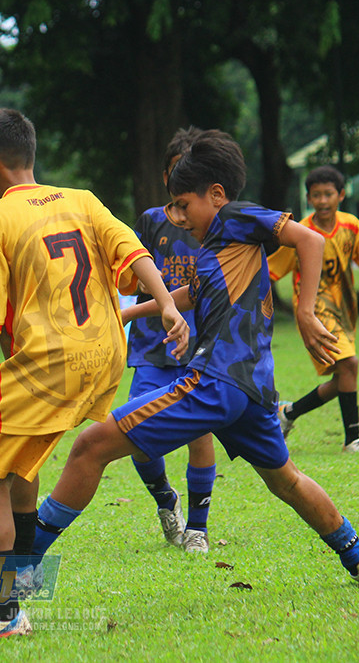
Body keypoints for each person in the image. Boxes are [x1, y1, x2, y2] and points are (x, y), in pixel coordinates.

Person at [24, 129, 359, 596]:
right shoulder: (218, 248)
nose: (176, 216)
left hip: (217, 383)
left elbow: (310, 242)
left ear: (216, 195)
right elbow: (190, 295)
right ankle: (358, 558)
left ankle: (18, 567)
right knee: (288, 482)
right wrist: (126, 313)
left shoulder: (236, 216)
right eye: (172, 206)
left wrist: (303, 312)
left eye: (183, 204)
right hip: (252, 392)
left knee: (89, 447)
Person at [0, 108, 189, 641]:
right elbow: (134, 252)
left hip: (49, 364)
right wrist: (168, 305)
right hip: (104, 356)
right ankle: (27, 578)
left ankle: (6, 615)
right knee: (24, 461)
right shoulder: (81, 199)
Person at [126, 127, 216, 552]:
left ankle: (197, 527)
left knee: (201, 433)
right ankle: (166, 498)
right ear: (166, 176)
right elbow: (132, 272)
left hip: (201, 342)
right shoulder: (150, 220)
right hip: (151, 343)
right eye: (177, 172)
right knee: (136, 430)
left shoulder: (218, 226)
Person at [268, 165, 359, 453]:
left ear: (340, 195)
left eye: (328, 194)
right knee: (349, 365)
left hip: (344, 310)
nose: (323, 201)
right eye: (316, 195)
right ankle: (352, 441)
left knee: (344, 376)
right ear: (308, 198)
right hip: (314, 311)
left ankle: (288, 413)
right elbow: (271, 270)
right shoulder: (299, 232)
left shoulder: (351, 226)